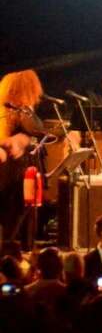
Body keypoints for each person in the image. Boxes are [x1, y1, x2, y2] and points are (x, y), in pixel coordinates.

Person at [0, 70, 45, 243]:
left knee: (22, 214)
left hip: (25, 169)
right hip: (18, 172)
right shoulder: (16, 112)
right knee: (15, 214)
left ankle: (16, 250)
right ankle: (9, 251)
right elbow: (35, 131)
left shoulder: (22, 110)